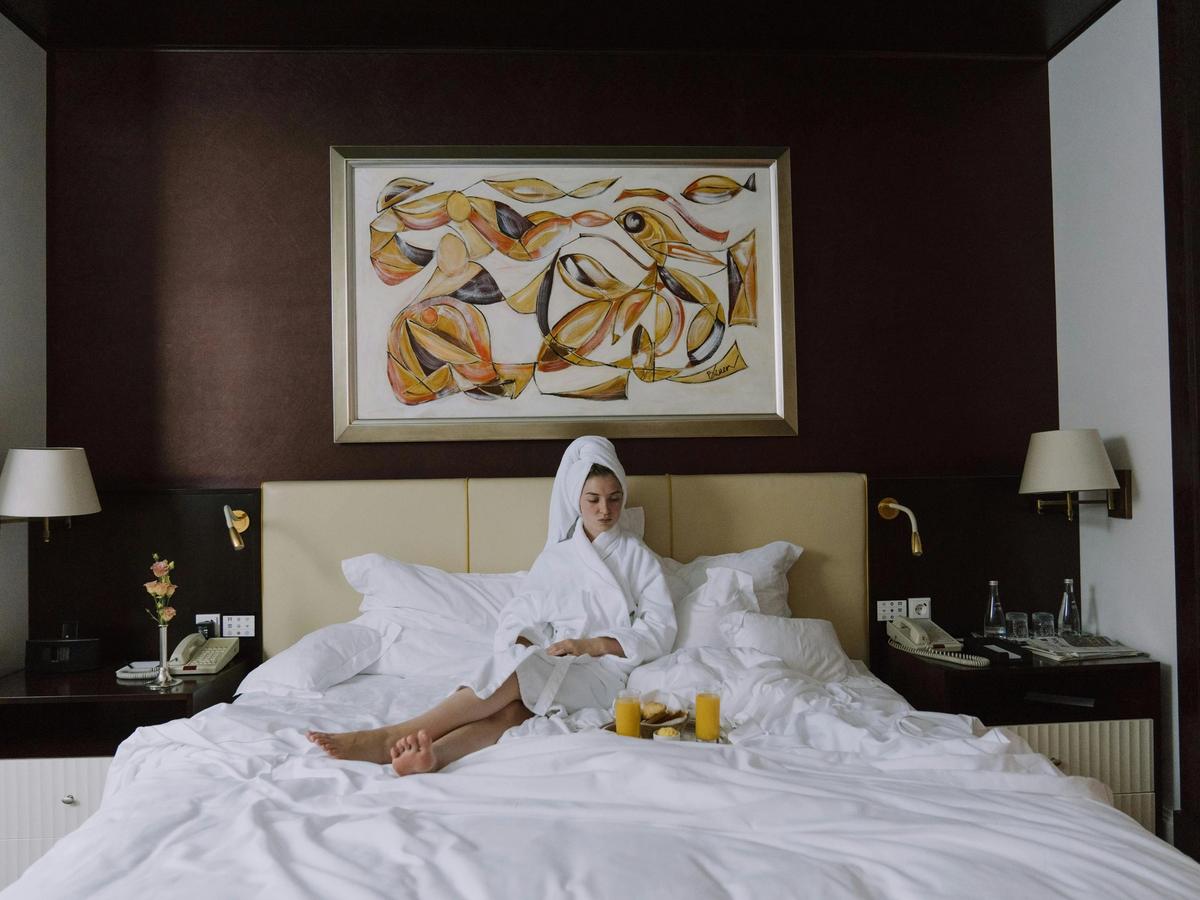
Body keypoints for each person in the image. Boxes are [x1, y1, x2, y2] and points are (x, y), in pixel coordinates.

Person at [307, 436, 677, 776]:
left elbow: (660, 628)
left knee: (517, 675)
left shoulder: (639, 558)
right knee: (513, 710)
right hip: (553, 658)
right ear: (575, 500)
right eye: (592, 499)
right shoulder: (556, 559)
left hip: (602, 672)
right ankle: (435, 757)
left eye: (614, 498)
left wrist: (595, 645)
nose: (604, 510)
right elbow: (519, 614)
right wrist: (524, 641)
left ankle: (396, 734)